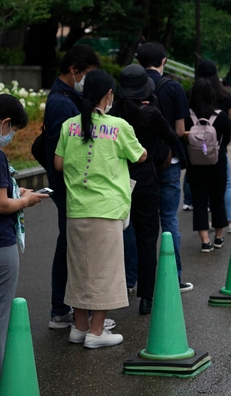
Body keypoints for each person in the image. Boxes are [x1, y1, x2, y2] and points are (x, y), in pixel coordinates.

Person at [54, 70, 147, 348]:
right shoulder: (118, 125)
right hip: (106, 210)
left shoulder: (69, 125)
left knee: (80, 270)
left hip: (76, 210)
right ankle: (97, 332)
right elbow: (140, 155)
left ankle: (79, 328)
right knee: (105, 271)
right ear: (108, 95)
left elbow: (58, 164)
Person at [42, 45, 114, 330]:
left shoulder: (68, 98)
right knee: (72, 249)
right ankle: (61, 310)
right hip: (70, 188)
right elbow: (68, 152)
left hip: (71, 187)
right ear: (74, 71)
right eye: (88, 75)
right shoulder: (62, 102)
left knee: (72, 246)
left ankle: (68, 311)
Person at [112, 64, 174, 315]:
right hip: (146, 181)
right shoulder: (151, 115)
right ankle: (146, 297)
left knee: (116, 237)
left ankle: (118, 290)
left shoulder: (111, 116)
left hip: (117, 181)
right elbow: (171, 137)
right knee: (148, 238)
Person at [137, 42, 192, 293]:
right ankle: (174, 277)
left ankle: (132, 280)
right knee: (169, 219)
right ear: (164, 60)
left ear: (139, 61)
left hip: (137, 161)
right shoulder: (173, 87)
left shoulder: (129, 86)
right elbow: (180, 130)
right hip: (168, 160)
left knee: (137, 222)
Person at [0, 94, 49, 372]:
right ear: (5, 122)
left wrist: (19, 193)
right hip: (2, 246)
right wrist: (25, 201)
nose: (12, 136)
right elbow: (3, 204)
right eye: (13, 131)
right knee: (2, 317)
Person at [191, 60, 231, 233]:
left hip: (195, 156)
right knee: (225, 187)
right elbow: (229, 126)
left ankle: (204, 236)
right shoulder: (224, 94)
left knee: (199, 197)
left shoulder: (191, 96)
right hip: (218, 154)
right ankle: (230, 222)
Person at [186, 78, 231, 251]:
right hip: (216, 165)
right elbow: (225, 140)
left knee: (199, 202)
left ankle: (205, 241)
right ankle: (219, 237)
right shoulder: (221, 117)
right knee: (217, 201)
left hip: (195, 167)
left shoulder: (188, 117)